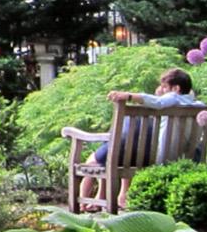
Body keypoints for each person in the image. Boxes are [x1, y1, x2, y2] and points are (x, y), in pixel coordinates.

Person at [79, 68, 200, 208]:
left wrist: (128, 96)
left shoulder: (171, 99)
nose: (162, 90)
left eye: (165, 87)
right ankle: (101, 199)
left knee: (94, 158)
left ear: (176, 88)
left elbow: (159, 102)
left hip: (160, 158)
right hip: (185, 158)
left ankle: (82, 202)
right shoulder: (197, 106)